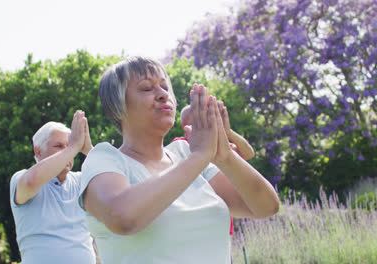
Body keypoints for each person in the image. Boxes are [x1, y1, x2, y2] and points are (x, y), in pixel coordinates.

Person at [79, 56, 280, 264]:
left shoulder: (185, 153)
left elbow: (266, 207)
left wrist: (224, 156)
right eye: (147, 88)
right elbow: (123, 218)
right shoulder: (104, 159)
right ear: (117, 105)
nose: (162, 94)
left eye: (165, 86)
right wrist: (200, 156)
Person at [9, 110, 98, 264]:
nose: (68, 152)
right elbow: (31, 182)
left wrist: (88, 148)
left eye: (68, 145)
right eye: (59, 146)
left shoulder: (80, 180)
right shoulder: (21, 178)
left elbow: (117, 181)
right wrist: (72, 147)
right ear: (38, 151)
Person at [171, 102, 256, 236]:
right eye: (200, 118)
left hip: (221, 225)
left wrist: (228, 132)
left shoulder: (217, 147)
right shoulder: (179, 147)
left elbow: (248, 153)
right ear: (186, 126)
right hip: (197, 227)